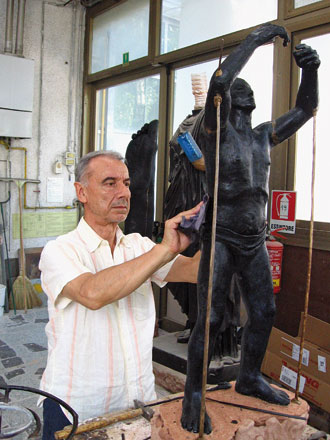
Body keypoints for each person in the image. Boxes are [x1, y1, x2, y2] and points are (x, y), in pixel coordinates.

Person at [181, 23, 320, 434]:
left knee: (264, 310)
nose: (247, 95)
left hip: (253, 238)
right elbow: (221, 81)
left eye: (248, 94)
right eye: (242, 93)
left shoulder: (263, 136)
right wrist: (258, 38)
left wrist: (310, 70)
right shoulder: (213, 133)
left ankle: (250, 376)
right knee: (209, 319)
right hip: (221, 236)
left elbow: (305, 110)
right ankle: (193, 392)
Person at [38, 150, 202, 439]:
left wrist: (225, 229)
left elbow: (195, 271)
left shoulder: (138, 248)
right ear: (82, 192)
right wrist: (164, 249)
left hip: (138, 404)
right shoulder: (60, 250)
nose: (124, 192)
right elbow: (93, 293)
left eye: (126, 183)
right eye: (110, 183)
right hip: (76, 408)